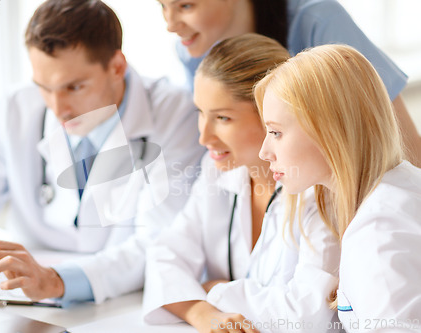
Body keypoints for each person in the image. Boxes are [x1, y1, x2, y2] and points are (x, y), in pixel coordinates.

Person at [0, 0, 203, 306]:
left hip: (126, 304)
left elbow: (160, 242)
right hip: (19, 304)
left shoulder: (175, 113)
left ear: (117, 67)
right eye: (44, 87)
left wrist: (56, 280)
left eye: (74, 87)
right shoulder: (18, 108)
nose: (57, 109)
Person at [143, 33, 341, 333]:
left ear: (271, 117)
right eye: (201, 113)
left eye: (222, 118)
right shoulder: (219, 170)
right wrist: (201, 312)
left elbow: (307, 316)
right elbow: (165, 256)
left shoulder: (320, 188)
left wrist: (217, 290)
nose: (204, 137)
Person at [255, 44, 421, 332]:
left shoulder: (380, 230)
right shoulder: (394, 191)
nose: (264, 151)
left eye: (276, 132)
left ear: (329, 129)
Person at [157, 0, 421, 167]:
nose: (169, 25)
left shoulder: (318, 21)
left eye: (185, 6)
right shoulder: (191, 50)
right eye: (162, 6)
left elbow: (403, 143)